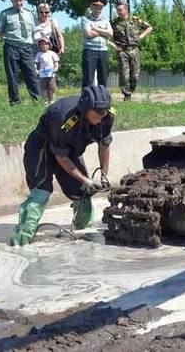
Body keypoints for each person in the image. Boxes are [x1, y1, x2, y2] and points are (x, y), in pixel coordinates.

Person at [9, 85, 115, 246]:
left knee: (81, 191)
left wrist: (104, 173)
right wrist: (86, 180)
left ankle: (83, 231)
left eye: (105, 111)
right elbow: (61, 157)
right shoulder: (64, 117)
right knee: (41, 192)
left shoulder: (107, 116)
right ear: (85, 109)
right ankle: (22, 237)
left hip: (69, 149)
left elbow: (104, 145)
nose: (102, 116)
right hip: (43, 146)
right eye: (98, 113)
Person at [0, 0, 40, 105]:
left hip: (27, 48)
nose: (19, 2)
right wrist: (8, 40)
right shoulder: (5, 14)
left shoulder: (30, 14)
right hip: (11, 47)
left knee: (31, 74)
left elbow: (34, 31)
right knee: (12, 75)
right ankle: (15, 102)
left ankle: (36, 99)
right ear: (12, 0)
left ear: (23, 0)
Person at [109, 0, 153, 101]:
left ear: (126, 10)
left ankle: (131, 91)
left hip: (134, 50)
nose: (118, 11)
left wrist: (141, 36)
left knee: (135, 76)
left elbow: (149, 27)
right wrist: (113, 45)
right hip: (122, 52)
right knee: (124, 76)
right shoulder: (113, 23)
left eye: (120, 9)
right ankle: (127, 96)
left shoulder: (135, 20)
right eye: (117, 10)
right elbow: (105, 35)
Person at [81, 0, 112, 88]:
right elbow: (88, 34)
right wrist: (103, 31)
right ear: (90, 6)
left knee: (103, 76)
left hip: (103, 50)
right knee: (88, 77)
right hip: (90, 50)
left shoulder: (105, 20)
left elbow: (110, 33)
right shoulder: (85, 19)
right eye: (95, 5)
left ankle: (102, 98)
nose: (98, 8)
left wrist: (95, 28)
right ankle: (87, 99)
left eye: (100, 7)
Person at [34, 38, 59, 103]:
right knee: (43, 88)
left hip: (51, 73)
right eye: (42, 44)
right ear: (40, 46)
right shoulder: (39, 54)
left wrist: (56, 68)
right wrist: (36, 69)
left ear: (49, 45)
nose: (44, 46)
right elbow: (36, 63)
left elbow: (56, 62)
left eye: (46, 44)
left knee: (52, 87)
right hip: (42, 74)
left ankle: (52, 100)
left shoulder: (52, 53)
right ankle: (45, 101)